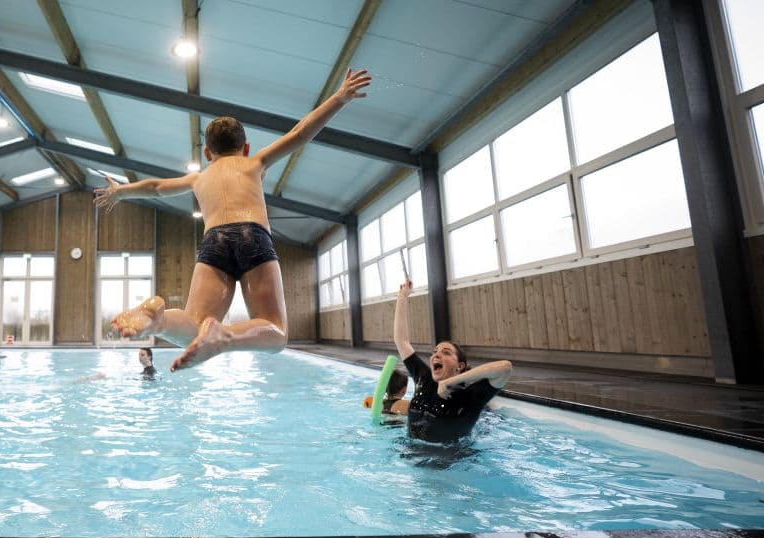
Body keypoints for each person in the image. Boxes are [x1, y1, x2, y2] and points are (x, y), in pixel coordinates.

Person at [95, 68, 373, 372]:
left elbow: (156, 188)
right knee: (276, 332)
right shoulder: (254, 162)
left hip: (213, 241)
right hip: (251, 235)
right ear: (246, 147)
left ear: (207, 153)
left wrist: (121, 191)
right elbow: (300, 133)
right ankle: (225, 335)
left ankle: (157, 319)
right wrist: (339, 98)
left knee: (192, 324)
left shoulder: (198, 177)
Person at [393, 278, 512, 443]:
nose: (436, 355)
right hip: (411, 458)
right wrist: (403, 296)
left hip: (450, 464)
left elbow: (505, 368)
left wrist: (450, 382)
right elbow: (402, 341)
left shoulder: (471, 397)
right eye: (435, 352)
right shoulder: (424, 378)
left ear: (460, 366)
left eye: (446, 352)